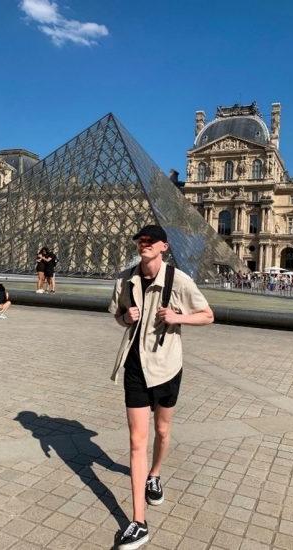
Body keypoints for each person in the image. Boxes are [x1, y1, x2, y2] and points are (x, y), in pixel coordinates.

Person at [109, 225, 214, 550]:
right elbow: (116, 314)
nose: (143, 245)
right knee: (137, 441)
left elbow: (208, 315)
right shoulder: (125, 279)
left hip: (167, 368)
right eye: (140, 240)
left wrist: (178, 317)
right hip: (135, 369)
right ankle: (139, 521)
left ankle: (155, 474)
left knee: (163, 431)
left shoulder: (179, 280)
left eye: (149, 241)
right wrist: (127, 317)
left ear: (164, 246)